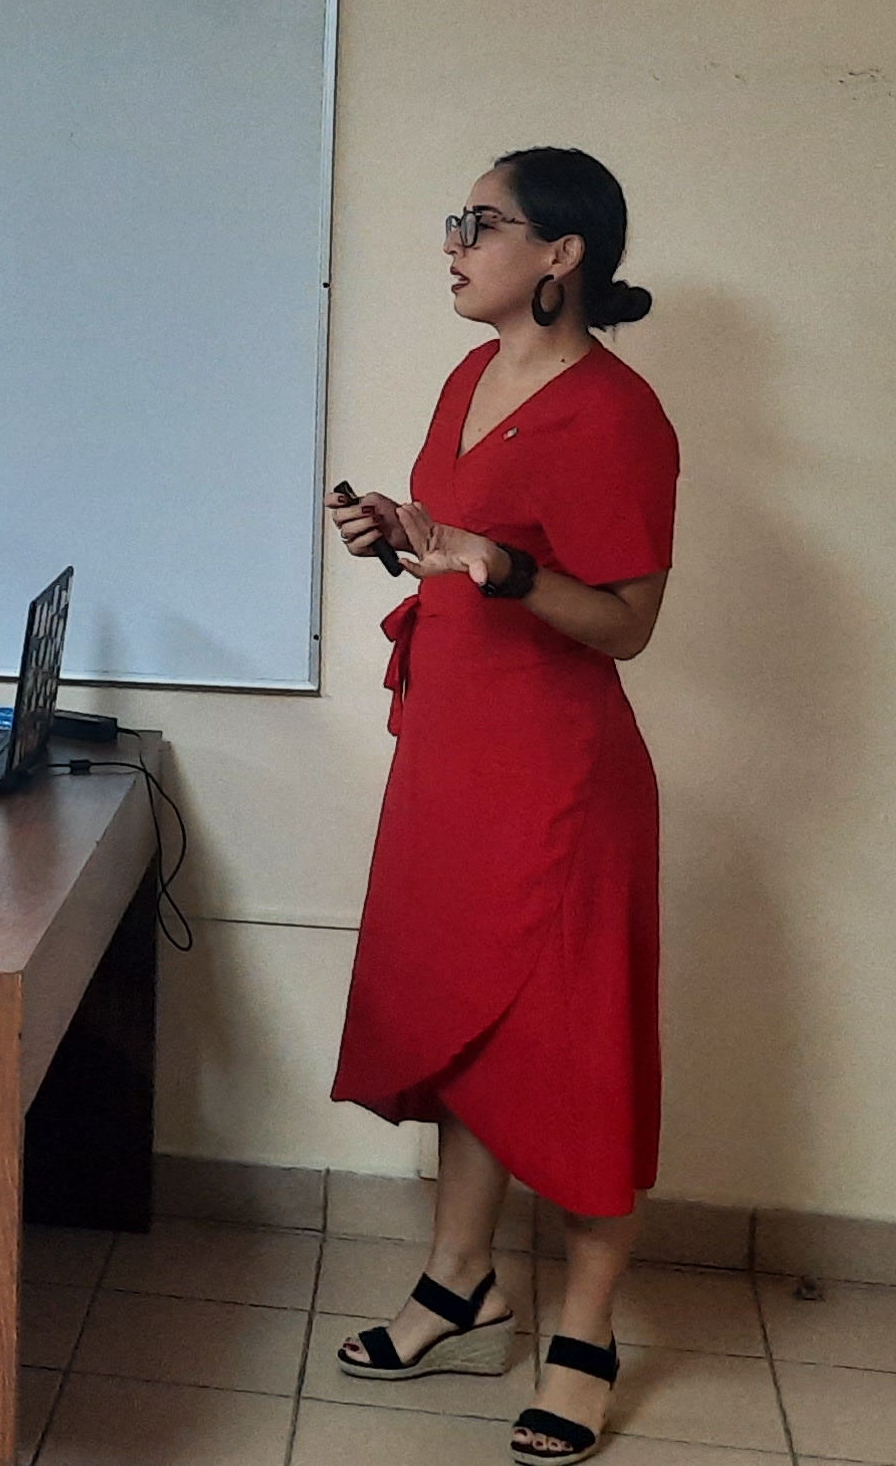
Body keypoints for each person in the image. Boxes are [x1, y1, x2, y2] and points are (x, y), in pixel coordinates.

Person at [325, 147, 677, 1464]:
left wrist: (501, 565)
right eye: (455, 219)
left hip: (561, 782)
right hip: (454, 757)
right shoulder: (472, 375)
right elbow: (457, 540)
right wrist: (402, 532)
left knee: (574, 1046)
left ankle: (585, 1330)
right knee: (467, 1023)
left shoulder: (621, 415)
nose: (454, 244)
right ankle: (460, 1280)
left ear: (561, 254)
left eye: (482, 223)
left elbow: (627, 624)